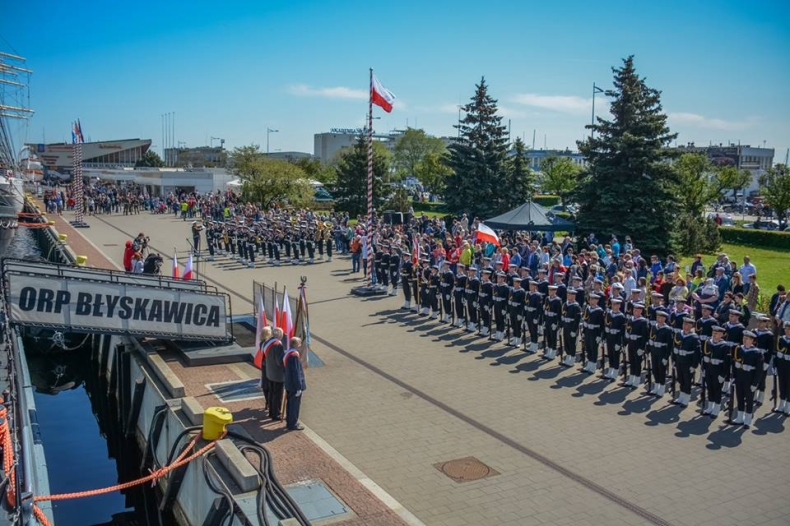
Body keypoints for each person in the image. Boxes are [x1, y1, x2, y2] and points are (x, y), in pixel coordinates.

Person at [729, 330, 763, 428]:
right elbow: (734, 365)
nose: (745, 340)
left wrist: (755, 383)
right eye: (744, 338)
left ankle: (747, 420)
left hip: (749, 379)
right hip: (739, 378)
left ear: (752, 340)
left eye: (747, 339)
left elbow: (759, 370)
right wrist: (734, 377)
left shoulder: (757, 353)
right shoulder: (738, 349)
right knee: (739, 398)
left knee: (749, 400)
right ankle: (740, 417)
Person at [701, 326, 733, 418]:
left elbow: (727, 363)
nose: (714, 334)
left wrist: (723, 375)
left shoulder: (725, 346)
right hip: (709, 369)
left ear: (722, 335)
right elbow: (703, 357)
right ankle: (710, 407)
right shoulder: (708, 342)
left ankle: (716, 409)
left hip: (718, 371)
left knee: (717, 390)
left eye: (717, 333)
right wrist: (703, 369)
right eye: (713, 332)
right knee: (710, 388)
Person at [672, 315, 700, 407]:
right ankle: (681, 396)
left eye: (687, 324)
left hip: (688, 362)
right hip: (679, 360)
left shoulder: (694, 338)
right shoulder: (679, 334)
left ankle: (686, 399)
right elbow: (674, 347)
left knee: (687, 381)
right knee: (680, 379)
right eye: (684, 324)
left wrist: (694, 365)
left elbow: (697, 353)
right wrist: (674, 360)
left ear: (691, 326)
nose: (685, 326)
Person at [647, 310, 673, 397]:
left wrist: (666, 357)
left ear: (665, 319)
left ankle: (661, 388)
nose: (659, 319)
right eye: (658, 317)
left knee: (661, 371)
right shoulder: (654, 327)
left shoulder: (668, 330)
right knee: (655, 370)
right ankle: (656, 387)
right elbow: (650, 339)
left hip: (662, 353)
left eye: (661, 318)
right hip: (654, 352)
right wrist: (648, 350)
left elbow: (670, 345)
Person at [283, 337, 306, 431]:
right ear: (296, 345)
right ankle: (293, 423)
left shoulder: (288, 353)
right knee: (294, 405)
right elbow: (296, 372)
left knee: (290, 404)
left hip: (289, 383)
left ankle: (289, 421)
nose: (300, 345)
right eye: (299, 343)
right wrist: (298, 387)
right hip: (294, 386)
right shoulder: (294, 356)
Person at [624, 302, 649, 387]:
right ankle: (631, 379)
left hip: (638, 343)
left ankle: (637, 380)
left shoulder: (643, 321)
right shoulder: (630, 319)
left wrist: (642, 348)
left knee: (637, 362)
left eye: (638, 310)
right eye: (635, 310)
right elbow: (628, 329)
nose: (636, 312)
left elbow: (645, 336)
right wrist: (625, 341)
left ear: (641, 311)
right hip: (631, 342)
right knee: (631, 362)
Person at [265, 327, 286, 421]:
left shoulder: (268, 342)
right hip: (277, 375)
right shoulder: (278, 345)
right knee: (277, 395)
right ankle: (276, 414)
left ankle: (271, 412)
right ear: (280, 335)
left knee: (271, 393)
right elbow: (279, 361)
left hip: (270, 372)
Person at [603, 297, 626, 379]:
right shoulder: (609, 313)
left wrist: (620, 343)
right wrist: (604, 336)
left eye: (616, 305)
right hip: (609, 338)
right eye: (613, 304)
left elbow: (622, 331)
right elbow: (606, 324)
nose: (614, 306)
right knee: (610, 355)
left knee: (616, 356)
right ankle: (610, 371)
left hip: (616, 338)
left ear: (619, 306)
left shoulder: (621, 316)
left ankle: (615, 372)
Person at [775, 321, 790, 415]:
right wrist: (775, 366)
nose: (787, 331)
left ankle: (788, 406)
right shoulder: (781, 339)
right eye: (786, 329)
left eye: (789, 329)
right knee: (782, 384)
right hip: (781, 366)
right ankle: (781, 404)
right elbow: (777, 353)